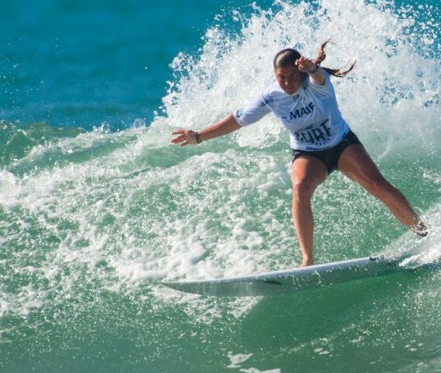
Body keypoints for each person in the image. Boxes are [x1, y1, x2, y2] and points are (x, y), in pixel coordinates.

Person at [170, 41, 427, 266]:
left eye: (293, 75)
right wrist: (199, 136)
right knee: (300, 188)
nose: (288, 82)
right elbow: (237, 120)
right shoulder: (270, 96)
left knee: (378, 185)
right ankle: (307, 259)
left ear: (301, 71)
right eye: (281, 77)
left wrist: (312, 69)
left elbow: (318, 76)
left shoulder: (317, 83)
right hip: (308, 153)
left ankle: (423, 233)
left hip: (341, 145)